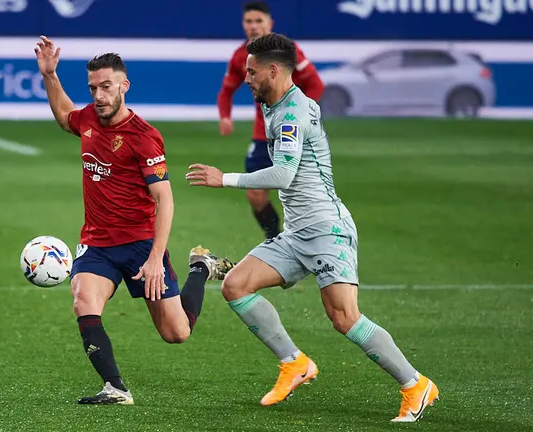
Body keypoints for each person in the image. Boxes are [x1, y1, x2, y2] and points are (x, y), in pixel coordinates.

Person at [186, 33, 439, 423]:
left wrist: (227, 180)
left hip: (326, 230)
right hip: (297, 232)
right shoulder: (276, 103)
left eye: (251, 72)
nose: (246, 78)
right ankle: (295, 362)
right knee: (236, 285)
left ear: (274, 70)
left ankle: (415, 384)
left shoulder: (291, 114)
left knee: (344, 318)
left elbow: (285, 175)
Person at [34, 35, 235, 405]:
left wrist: (157, 257)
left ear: (124, 86)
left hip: (142, 247)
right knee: (83, 301)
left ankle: (201, 269)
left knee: (176, 333)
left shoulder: (144, 137)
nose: (99, 95)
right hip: (97, 245)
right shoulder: (90, 120)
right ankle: (115, 387)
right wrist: (50, 75)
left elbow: (165, 199)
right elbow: (65, 117)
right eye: (93, 88)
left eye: (106, 87)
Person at [217, 1, 325, 240]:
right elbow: (226, 91)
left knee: (301, 189)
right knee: (256, 195)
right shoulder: (239, 57)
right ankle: (275, 239)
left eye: (259, 21)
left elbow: (315, 84)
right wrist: (225, 116)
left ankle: (312, 236)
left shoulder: (288, 52)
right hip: (262, 133)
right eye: (249, 21)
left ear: (270, 23)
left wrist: (302, 114)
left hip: (291, 130)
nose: (253, 26)